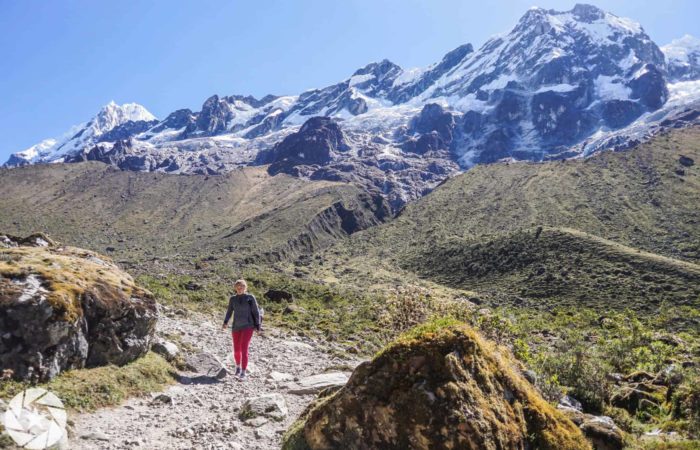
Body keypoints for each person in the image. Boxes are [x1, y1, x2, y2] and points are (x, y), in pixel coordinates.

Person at [221, 279, 261, 380]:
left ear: (245, 288)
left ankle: (243, 372)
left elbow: (256, 312)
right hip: (236, 327)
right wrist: (225, 322)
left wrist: (258, 325)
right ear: (235, 288)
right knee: (236, 350)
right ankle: (237, 367)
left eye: (242, 286)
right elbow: (229, 311)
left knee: (244, 349)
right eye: (238, 286)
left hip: (248, 326)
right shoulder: (233, 299)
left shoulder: (250, 298)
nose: (239, 288)